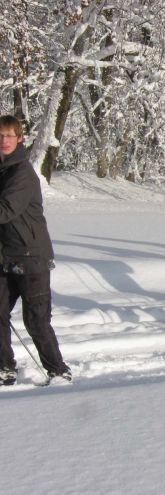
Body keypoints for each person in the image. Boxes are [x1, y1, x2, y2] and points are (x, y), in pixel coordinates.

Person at [0, 115, 71, 386]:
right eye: (0, 136)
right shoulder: (3, 170)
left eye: (9, 136)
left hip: (31, 257)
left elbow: (6, 211)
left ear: (19, 139)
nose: (4, 141)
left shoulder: (22, 173)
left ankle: (58, 370)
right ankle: (4, 368)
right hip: (6, 257)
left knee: (36, 320)